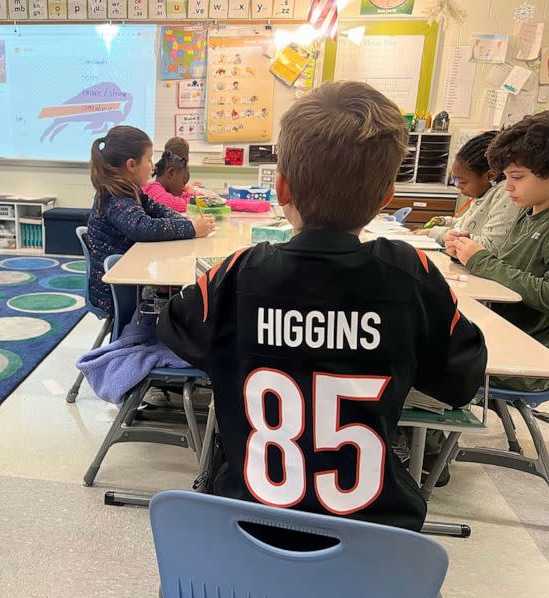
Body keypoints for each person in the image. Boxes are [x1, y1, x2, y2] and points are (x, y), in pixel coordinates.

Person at [157, 82, 487, 531]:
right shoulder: (412, 274)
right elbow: (460, 380)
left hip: (244, 530)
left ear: (280, 188)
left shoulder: (238, 272)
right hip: (373, 537)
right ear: (386, 196)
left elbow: (175, 327)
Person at [452, 111, 549, 392]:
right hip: (503, 331)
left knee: (427, 353)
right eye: (505, 177)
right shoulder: (527, 210)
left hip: (529, 353)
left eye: (517, 177)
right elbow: (507, 269)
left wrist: (481, 260)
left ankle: (428, 434)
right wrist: (467, 249)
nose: (508, 187)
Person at [85, 125, 214, 314]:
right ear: (131, 165)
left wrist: (187, 223)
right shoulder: (115, 197)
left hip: (130, 280)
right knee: (185, 301)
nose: (153, 166)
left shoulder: (131, 190)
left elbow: (156, 209)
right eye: (149, 159)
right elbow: (143, 228)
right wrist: (191, 228)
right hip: (115, 295)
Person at [416, 131, 518, 255]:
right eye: (454, 179)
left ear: (490, 176)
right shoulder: (483, 192)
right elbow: (466, 224)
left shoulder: (505, 194)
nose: (457, 185)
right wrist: (445, 221)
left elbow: (489, 246)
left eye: (462, 182)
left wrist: (436, 233)